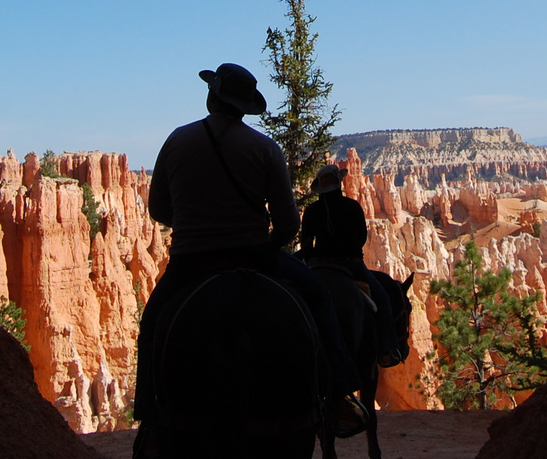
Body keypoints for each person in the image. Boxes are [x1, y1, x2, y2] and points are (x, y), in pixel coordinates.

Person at [135, 62, 365, 433]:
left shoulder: (177, 140)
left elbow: (158, 210)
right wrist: (261, 243)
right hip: (254, 254)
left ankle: (148, 419)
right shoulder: (264, 148)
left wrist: (197, 226)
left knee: (152, 324)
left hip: (190, 263)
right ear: (244, 106)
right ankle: (338, 395)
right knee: (319, 298)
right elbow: (289, 225)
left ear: (213, 97)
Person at [298, 163, 400, 364]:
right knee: (384, 301)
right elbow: (361, 238)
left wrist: (311, 260)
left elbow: (306, 244)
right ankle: (385, 351)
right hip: (350, 265)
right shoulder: (352, 206)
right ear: (339, 184)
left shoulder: (311, 211)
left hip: (318, 265)